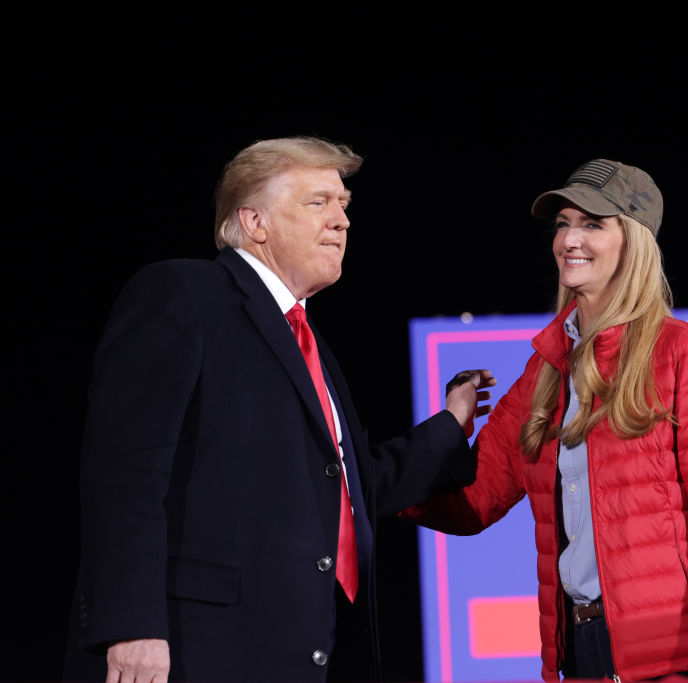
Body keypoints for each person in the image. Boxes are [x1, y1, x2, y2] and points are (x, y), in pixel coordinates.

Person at [63, 136, 494, 683]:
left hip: (310, 651)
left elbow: (351, 488)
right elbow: (124, 475)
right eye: (318, 203)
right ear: (254, 222)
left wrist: (451, 425)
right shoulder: (182, 293)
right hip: (194, 650)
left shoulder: (312, 346)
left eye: (344, 205)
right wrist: (131, 625)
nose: (340, 221)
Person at [402, 159, 688, 682]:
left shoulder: (684, 354)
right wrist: (437, 440)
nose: (570, 238)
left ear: (632, 242)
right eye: (564, 223)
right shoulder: (545, 370)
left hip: (669, 660)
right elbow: (472, 503)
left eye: (593, 223)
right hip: (578, 654)